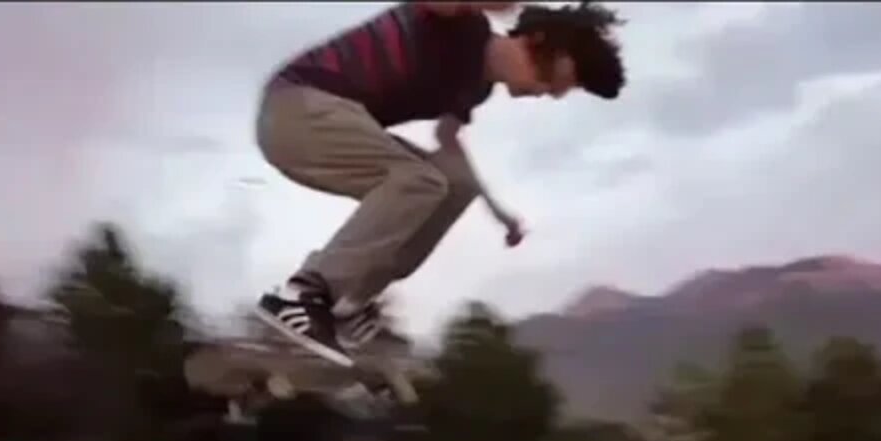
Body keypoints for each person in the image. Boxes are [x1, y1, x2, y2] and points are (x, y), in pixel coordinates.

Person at [252, 1, 627, 366]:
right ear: (537, 40)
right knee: (420, 181)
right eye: (551, 79)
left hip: (323, 128)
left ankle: (346, 304)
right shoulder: (462, 26)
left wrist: (498, 213)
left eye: (553, 92)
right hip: (295, 109)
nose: (544, 92)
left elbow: (450, 144)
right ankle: (304, 293)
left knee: (452, 184)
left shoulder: (474, 90)